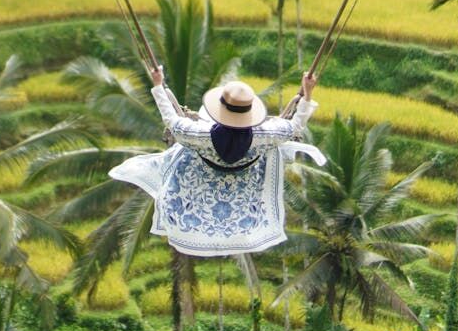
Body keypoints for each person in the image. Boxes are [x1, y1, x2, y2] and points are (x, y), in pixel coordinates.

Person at [109, 67, 323, 257]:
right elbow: (295, 126)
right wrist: (307, 93)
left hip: (200, 184)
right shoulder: (265, 135)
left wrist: (158, 85)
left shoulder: (196, 134)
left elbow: (171, 119)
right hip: (243, 191)